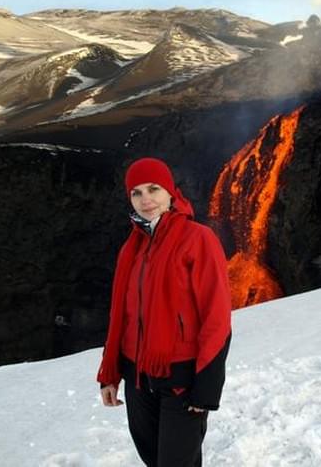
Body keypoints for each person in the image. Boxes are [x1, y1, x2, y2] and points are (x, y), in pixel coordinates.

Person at [97, 157, 232, 467]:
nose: (146, 200)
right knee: (154, 460)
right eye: (136, 193)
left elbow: (217, 317)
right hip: (138, 381)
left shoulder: (198, 239)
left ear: (171, 193)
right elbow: (123, 316)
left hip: (181, 382)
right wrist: (110, 374)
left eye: (153, 189)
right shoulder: (132, 246)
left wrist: (206, 387)